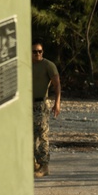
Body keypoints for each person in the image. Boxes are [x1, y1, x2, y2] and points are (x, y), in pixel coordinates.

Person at [32, 40, 61, 177]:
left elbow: (57, 85)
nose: (37, 54)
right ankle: (33, 163)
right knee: (28, 135)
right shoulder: (26, 65)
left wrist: (57, 103)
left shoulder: (48, 65)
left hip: (41, 104)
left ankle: (44, 166)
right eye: (35, 51)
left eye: (40, 51)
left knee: (42, 134)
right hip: (28, 105)